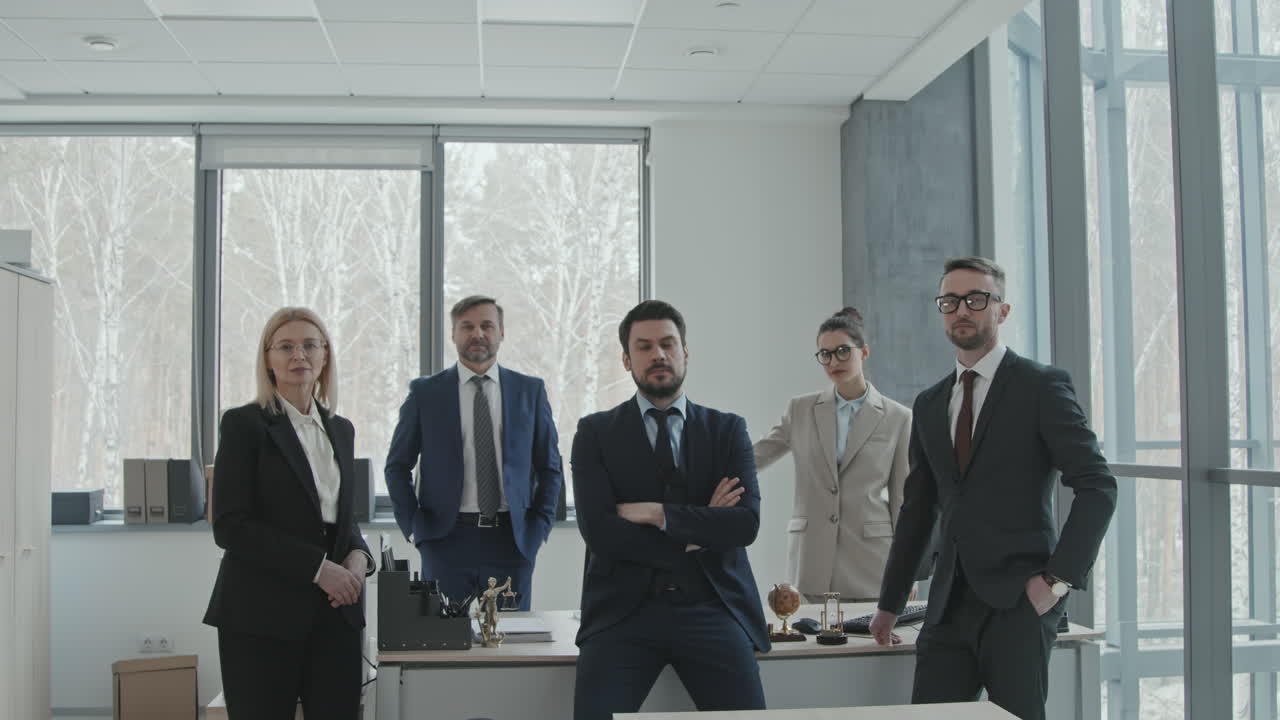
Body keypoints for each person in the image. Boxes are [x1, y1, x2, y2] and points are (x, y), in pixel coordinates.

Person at [869, 257, 1116, 720]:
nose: (961, 309)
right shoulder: (930, 403)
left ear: (1002, 311)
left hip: (1019, 603)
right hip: (945, 608)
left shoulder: (1041, 387)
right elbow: (918, 509)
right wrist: (890, 602)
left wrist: (1057, 582)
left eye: (976, 299)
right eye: (950, 301)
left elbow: (1098, 486)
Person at [572, 299, 769, 720]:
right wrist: (700, 532)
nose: (658, 354)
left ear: (685, 352)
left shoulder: (727, 430)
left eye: (667, 343)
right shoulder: (594, 433)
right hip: (622, 615)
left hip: (712, 608)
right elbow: (600, 533)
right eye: (644, 347)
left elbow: (744, 524)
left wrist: (658, 514)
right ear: (627, 360)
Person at [203, 307, 374, 719]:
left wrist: (358, 556)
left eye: (310, 345)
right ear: (268, 359)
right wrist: (318, 568)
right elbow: (230, 526)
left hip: (335, 613)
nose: (299, 355)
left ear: (325, 356)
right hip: (262, 614)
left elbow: (340, 517)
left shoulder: (342, 429)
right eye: (286, 346)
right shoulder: (244, 425)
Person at [385, 295, 562, 611]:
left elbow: (550, 467)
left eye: (486, 326)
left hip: (512, 541)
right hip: (446, 540)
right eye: (467, 326)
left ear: (501, 332)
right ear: (453, 334)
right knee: (445, 637)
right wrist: (415, 529)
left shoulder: (529, 391)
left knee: (509, 637)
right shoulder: (426, 393)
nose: (477, 334)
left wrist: (539, 528)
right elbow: (397, 466)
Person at [753, 307, 915, 603]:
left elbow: (903, 499)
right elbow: (757, 456)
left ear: (864, 351)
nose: (833, 362)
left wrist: (908, 569)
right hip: (811, 560)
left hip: (872, 562)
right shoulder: (801, 410)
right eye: (825, 354)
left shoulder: (898, 417)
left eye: (842, 351)